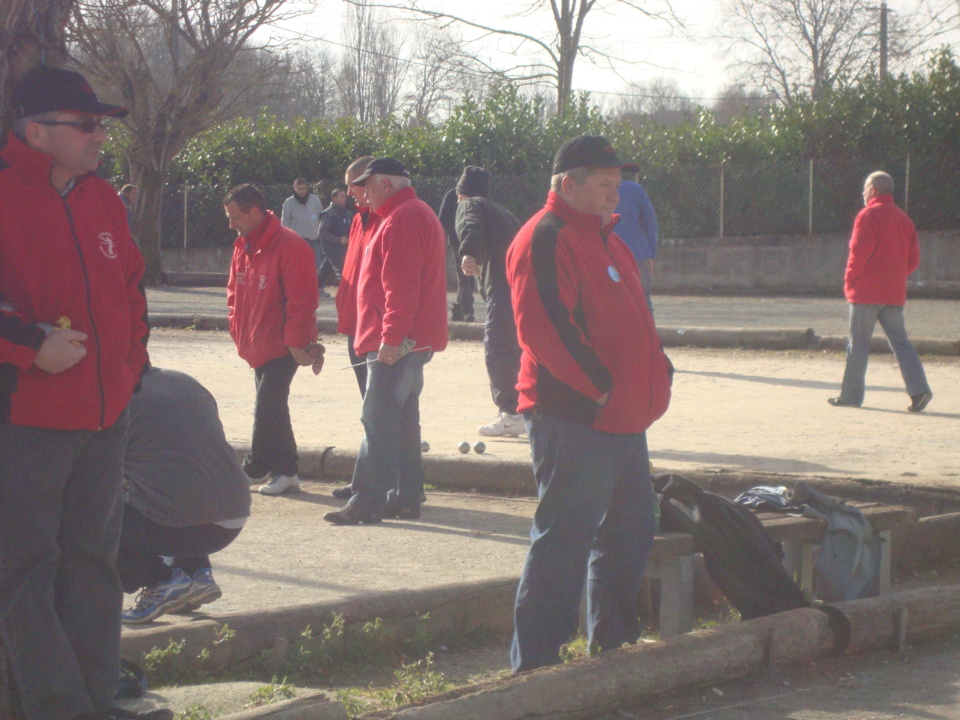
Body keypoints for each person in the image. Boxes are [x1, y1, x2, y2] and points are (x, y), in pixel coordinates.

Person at [0, 66, 165, 720]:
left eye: (102, 125)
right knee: (25, 571)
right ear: (37, 131)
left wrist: (130, 371)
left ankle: (94, 699)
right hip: (25, 418)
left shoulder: (102, 199)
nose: (101, 136)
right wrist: (29, 346)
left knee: (94, 566)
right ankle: (53, 706)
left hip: (104, 417)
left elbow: (131, 291)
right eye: (87, 124)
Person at [506, 135, 673, 673]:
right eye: (604, 186)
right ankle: (534, 667)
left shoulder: (609, 238)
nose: (613, 196)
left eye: (617, 186)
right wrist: (601, 389)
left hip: (623, 419)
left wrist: (656, 375)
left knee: (629, 533)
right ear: (567, 183)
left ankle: (613, 652)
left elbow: (636, 319)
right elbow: (545, 328)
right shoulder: (546, 236)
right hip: (575, 416)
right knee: (564, 540)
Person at [323, 158, 447, 524]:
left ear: (385, 185)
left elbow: (400, 289)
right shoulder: (410, 213)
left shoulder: (400, 219)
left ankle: (367, 501)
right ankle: (405, 497)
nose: (358, 192)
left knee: (376, 421)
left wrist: (390, 339)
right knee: (404, 422)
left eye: (365, 184)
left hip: (397, 341)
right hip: (411, 340)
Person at [119, 366, 252, 624]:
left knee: (84, 523)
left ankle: (160, 580)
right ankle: (196, 572)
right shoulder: (183, 381)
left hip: (185, 528)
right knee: (177, 483)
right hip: (235, 516)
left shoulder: (118, 397)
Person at [225, 183, 323, 496]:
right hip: (256, 341)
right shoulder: (242, 245)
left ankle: (255, 466)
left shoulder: (291, 246)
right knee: (275, 408)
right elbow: (233, 294)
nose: (231, 224)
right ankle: (287, 471)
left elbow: (302, 301)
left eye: (234, 217)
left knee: (266, 406)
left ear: (255, 212)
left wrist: (295, 343)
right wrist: (237, 331)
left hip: (283, 344)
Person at [828, 171, 933, 412]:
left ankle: (851, 396)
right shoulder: (904, 219)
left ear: (873, 190)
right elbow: (914, 259)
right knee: (901, 343)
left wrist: (850, 282)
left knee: (859, 344)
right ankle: (920, 390)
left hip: (866, 292)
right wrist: (895, 276)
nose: (863, 193)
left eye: (865, 189)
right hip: (893, 294)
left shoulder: (868, 215)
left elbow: (858, 254)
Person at [454, 166, 524, 438]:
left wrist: (467, 253)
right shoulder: (504, 212)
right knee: (520, 349)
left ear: (461, 193)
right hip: (521, 286)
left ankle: (511, 413)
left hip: (502, 286)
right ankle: (529, 409)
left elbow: (469, 224)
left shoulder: (469, 204)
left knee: (498, 348)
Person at [331, 157, 376, 502]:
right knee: (370, 409)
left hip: (374, 329)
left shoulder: (383, 219)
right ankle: (375, 479)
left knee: (379, 413)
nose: (347, 192)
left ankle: (374, 483)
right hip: (356, 325)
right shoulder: (358, 220)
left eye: (353, 184)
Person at [614, 178, 659, 313]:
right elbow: (650, 222)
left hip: (608, 254)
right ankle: (648, 333)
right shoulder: (635, 189)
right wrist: (651, 253)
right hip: (638, 253)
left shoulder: (594, 189)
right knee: (643, 300)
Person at [439, 186, 476, 322]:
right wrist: (454, 234)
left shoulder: (474, 195)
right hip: (457, 242)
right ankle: (466, 311)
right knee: (464, 277)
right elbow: (443, 218)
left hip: (471, 240)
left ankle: (460, 309)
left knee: (469, 277)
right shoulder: (452, 195)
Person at [280, 177, 324, 283]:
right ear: (294, 188)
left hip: (314, 238)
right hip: (298, 240)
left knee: (318, 263)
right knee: (298, 265)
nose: (301, 191)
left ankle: (320, 288)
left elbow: (321, 217)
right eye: (299, 189)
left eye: (303, 188)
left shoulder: (315, 200)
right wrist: (286, 240)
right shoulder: (289, 203)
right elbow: (285, 221)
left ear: (307, 187)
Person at [317, 188, 353, 290]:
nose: (345, 198)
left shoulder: (347, 212)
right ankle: (347, 295)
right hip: (332, 250)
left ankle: (306, 290)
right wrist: (338, 240)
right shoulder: (328, 214)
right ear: (334, 198)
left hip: (344, 249)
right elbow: (322, 232)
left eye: (345, 196)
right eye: (342, 196)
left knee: (322, 274)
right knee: (343, 274)